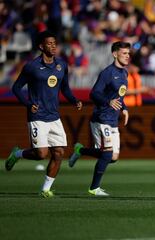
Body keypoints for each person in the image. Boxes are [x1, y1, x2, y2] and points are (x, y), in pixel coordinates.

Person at [6, 30, 82, 198]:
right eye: (49, 43)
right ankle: (17, 154)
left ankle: (45, 189)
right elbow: (16, 88)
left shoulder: (62, 65)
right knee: (41, 154)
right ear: (41, 46)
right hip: (37, 116)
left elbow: (65, 88)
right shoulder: (32, 66)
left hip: (54, 116)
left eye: (55, 43)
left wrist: (74, 100)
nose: (53, 46)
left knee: (59, 152)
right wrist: (28, 104)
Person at [68, 41, 130, 196]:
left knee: (113, 157)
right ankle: (94, 188)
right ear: (115, 54)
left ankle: (80, 150)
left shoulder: (125, 73)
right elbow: (94, 93)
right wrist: (108, 102)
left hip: (113, 119)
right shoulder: (107, 73)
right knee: (107, 153)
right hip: (101, 118)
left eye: (128, 53)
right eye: (124, 53)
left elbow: (119, 96)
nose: (127, 56)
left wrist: (124, 108)